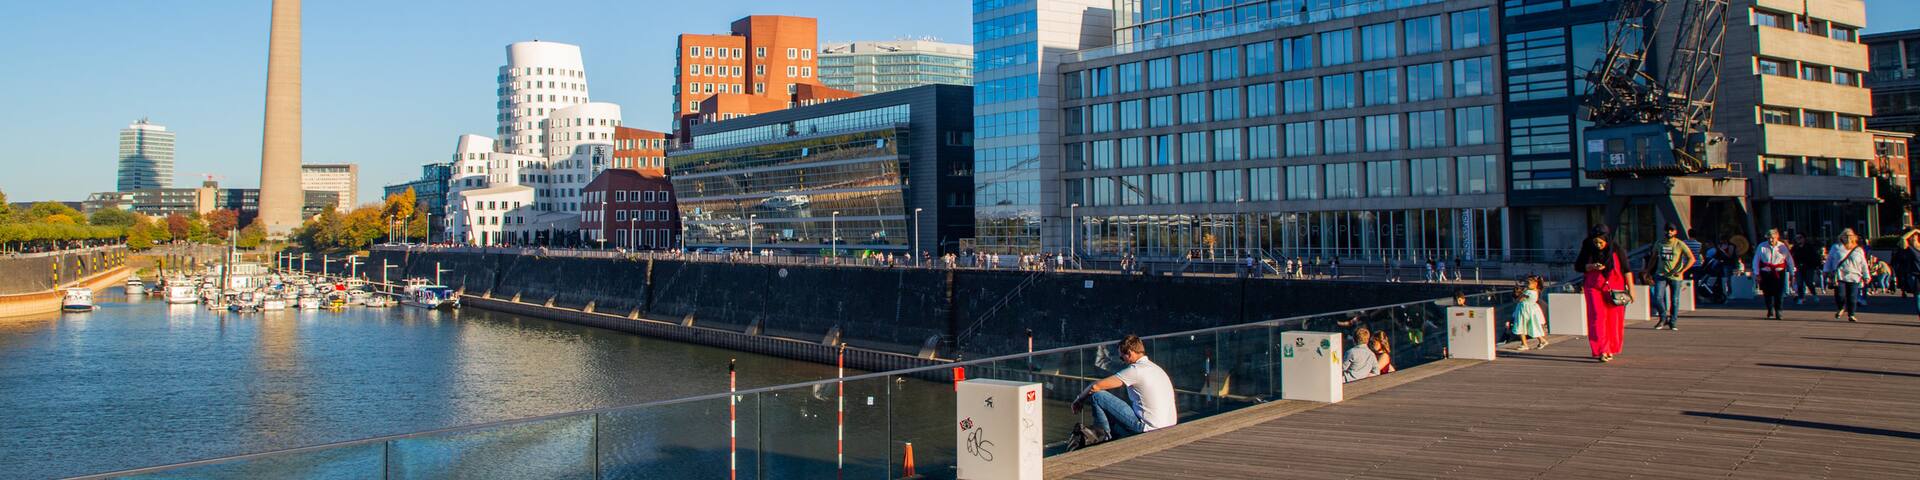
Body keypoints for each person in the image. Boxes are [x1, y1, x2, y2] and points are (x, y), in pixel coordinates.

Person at [1071, 335, 1177, 442]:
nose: (1123, 361)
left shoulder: (1136, 370)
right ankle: (1107, 433)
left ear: (1130, 353)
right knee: (1116, 419)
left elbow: (1095, 386)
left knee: (1098, 396)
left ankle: (1103, 437)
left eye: (1122, 358)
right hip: (1170, 424)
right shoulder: (1156, 368)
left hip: (1149, 428)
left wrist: (1079, 400)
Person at [1575, 224, 1632, 363]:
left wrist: (1632, 290)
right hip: (1593, 286)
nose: (1598, 245)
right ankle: (1602, 349)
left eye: (1601, 242)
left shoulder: (1617, 249)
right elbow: (1578, 266)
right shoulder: (1588, 248)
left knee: (1613, 319)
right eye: (1595, 242)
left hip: (1614, 288)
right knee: (1597, 317)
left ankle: (1611, 347)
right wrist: (1591, 266)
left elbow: (1626, 269)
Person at [1647, 223, 1696, 330]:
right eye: (1667, 230)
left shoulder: (1680, 244)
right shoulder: (1659, 243)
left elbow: (1692, 259)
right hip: (1661, 274)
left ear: (1675, 232)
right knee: (1658, 297)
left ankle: (1673, 321)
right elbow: (1653, 257)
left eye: (1671, 230)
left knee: (1675, 299)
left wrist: (1682, 270)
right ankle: (1663, 318)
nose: (1669, 232)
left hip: (1675, 276)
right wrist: (1647, 271)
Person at [1824, 228, 1869, 323]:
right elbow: (1829, 260)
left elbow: (1863, 263)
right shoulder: (1836, 247)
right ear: (1841, 237)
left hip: (1854, 276)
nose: (1848, 238)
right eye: (1845, 235)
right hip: (1840, 276)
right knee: (1840, 295)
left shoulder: (1858, 249)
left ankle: (1851, 314)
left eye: (1850, 235)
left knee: (1852, 297)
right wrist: (1826, 270)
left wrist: (1866, 275)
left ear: (1854, 237)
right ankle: (1841, 308)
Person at [1751, 229, 1795, 320]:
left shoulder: (1782, 246)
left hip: (1779, 272)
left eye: (1772, 238)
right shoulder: (1762, 246)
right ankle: (1770, 310)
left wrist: (1792, 272)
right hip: (1766, 272)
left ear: (1777, 237)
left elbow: (1789, 260)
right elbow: (1756, 260)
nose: (1770, 240)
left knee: (1779, 293)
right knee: (1767, 292)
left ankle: (1779, 310)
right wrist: (1757, 273)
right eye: (1769, 238)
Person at [1512, 275, 1548, 350]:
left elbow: (1519, 300)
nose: (1526, 285)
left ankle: (1524, 344)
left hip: (1524, 310)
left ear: (1535, 283)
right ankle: (1542, 340)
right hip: (1530, 310)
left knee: (1520, 326)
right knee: (1532, 327)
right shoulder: (1536, 291)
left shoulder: (1529, 292)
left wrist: (1518, 293)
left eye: (1528, 283)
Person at [1791, 232, 1825, 304]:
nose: (1798, 240)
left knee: (1809, 282)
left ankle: (1814, 295)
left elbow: (1815, 257)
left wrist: (1817, 266)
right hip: (1799, 267)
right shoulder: (1795, 248)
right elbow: (1791, 257)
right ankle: (1801, 297)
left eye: (1800, 238)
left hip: (1809, 267)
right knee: (1799, 282)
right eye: (1797, 238)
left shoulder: (1809, 247)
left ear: (1804, 238)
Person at [1897, 230, 1920, 320]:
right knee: (1918, 297)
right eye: (1912, 236)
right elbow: (1903, 238)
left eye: (1915, 236)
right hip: (1914, 275)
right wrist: (1915, 230)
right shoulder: (1908, 248)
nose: (1913, 237)